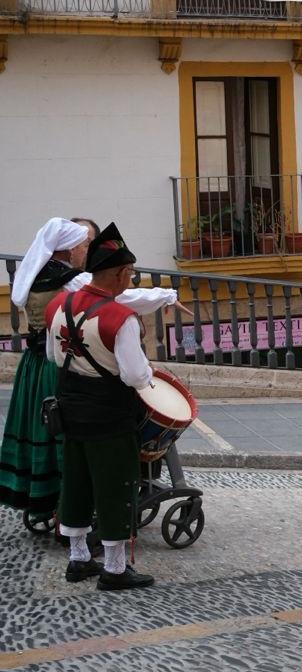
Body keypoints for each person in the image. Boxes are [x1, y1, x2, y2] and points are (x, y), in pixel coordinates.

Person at [2, 218, 178, 530]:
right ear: (68, 249)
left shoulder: (33, 275)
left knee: (40, 432)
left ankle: (45, 505)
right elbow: (120, 299)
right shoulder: (70, 281)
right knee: (65, 440)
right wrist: (165, 295)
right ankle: (68, 513)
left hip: (33, 363)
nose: (87, 250)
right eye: (84, 245)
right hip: (58, 367)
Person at [44, 224, 163, 590]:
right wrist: (147, 374)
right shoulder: (119, 318)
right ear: (118, 274)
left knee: (76, 483)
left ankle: (79, 560)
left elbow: (53, 355)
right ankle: (114, 569)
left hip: (71, 409)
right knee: (115, 487)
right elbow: (134, 377)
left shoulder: (57, 305)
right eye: (129, 274)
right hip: (109, 416)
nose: (131, 279)